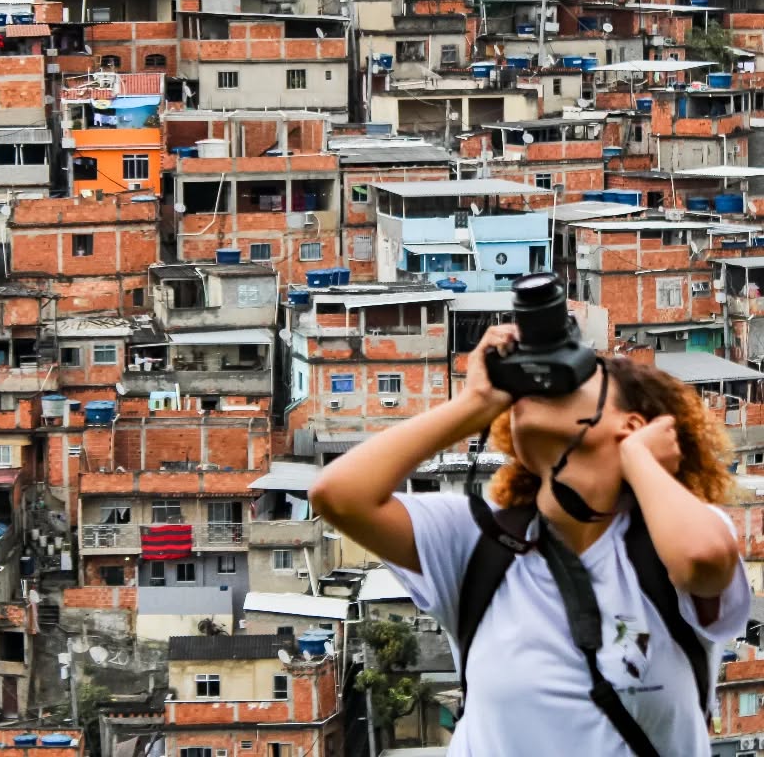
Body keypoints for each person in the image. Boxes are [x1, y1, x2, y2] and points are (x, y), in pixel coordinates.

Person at [309, 323, 750, 756]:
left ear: (630, 423)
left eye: (573, 376)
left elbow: (701, 559)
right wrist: (475, 402)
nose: (539, 385)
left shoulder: (669, 543)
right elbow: (339, 495)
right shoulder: (478, 541)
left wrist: (638, 458)